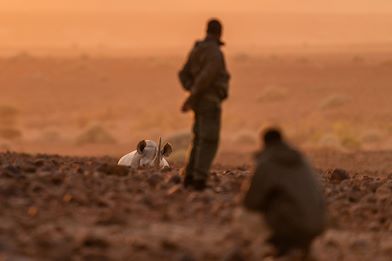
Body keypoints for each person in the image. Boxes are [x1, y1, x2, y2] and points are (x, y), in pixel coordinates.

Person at [243, 128, 326, 257]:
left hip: (292, 226)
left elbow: (251, 202)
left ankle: (281, 245)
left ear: (265, 143)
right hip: (318, 224)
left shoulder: (268, 163)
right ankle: (301, 250)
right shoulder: (303, 161)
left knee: (266, 201)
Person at [178, 19, 230, 191]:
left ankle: (190, 177)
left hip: (200, 102)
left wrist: (191, 91)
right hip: (209, 101)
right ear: (219, 32)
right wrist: (193, 95)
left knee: (198, 138)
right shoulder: (214, 53)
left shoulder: (197, 50)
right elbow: (207, 77)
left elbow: (183, 74)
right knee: (208, 140)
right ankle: (198, 179)